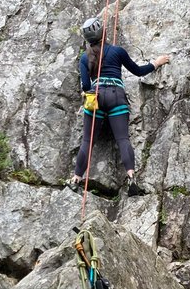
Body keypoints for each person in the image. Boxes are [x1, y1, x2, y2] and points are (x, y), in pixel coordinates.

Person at [70, 16, 170, 197]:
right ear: (103, 32)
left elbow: (86, 86)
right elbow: (138, 71)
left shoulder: (85, 58)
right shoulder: (117, 51)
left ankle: (76, 179)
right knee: (123, 139)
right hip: (116, 95)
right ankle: (131, 178)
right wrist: (156, 62)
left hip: (96, 97)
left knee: (87, 141)